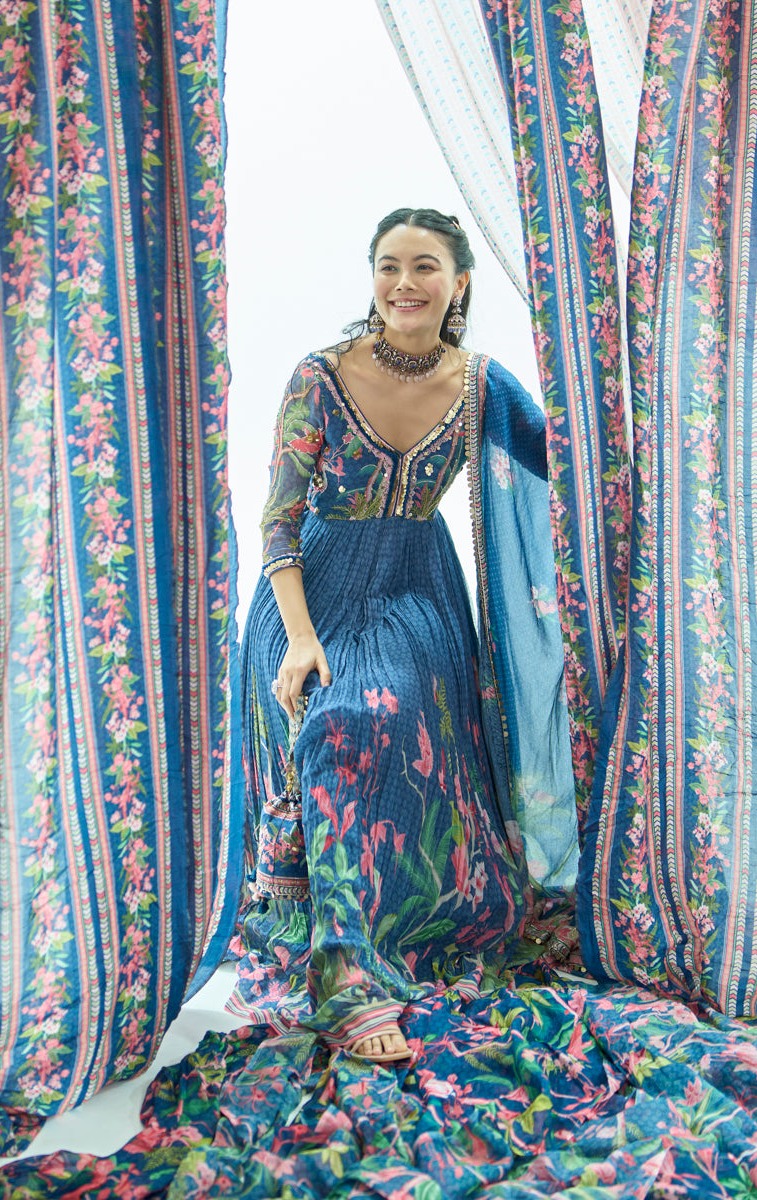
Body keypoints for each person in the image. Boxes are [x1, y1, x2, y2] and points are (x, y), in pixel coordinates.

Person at [230, 208, 575, 1063]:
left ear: (460, 283)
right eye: (389, 265)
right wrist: (301, 639)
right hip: (308, 592)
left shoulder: (483, 385)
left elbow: (573, 462)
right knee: (335, 719)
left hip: (417, 594)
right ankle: (344, 973)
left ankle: (402, 927)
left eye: (424, 266)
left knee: (387, 718)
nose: (404, 284)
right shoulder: (320, 376)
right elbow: (278, 521)